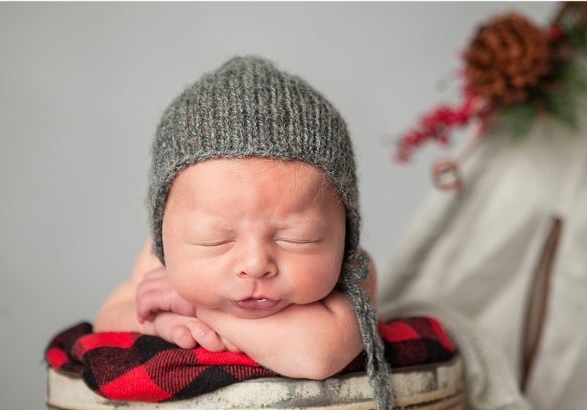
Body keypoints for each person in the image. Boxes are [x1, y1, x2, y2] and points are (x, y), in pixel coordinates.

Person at [95, 56, 381, 381]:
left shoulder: (354, 271)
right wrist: (160, 321)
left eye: (299, 237)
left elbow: (317, 355)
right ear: (164, 235)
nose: (256, 264)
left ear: (344, 232)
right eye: (214, 239)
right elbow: (109, 316)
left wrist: (195, 308)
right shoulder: (158, 259)